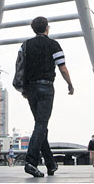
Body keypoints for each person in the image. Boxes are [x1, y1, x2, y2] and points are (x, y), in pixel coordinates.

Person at [21, 16, 74, 178]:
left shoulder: (25, 45)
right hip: (46, 87)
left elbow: (20, 67)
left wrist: (23, 88)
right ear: (47, 28)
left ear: (33, 28)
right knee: (41, 124)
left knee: (40, 125)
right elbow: (62, 68)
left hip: (30, 88)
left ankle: (51, 164)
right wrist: (70, 84)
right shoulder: (53, 44)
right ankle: (30, 161)